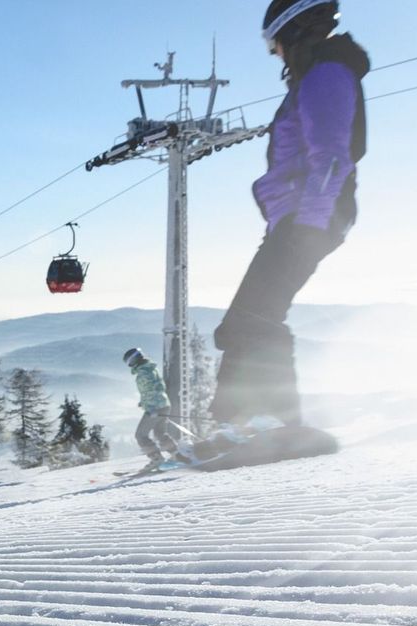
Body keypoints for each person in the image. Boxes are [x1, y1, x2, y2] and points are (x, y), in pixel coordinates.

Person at [210, 0, 369, 430]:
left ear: (295, 31)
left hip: (311, 217)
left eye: (274, 43)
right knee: (244, 321)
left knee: (254, 318)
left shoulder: (326, 76)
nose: (274, 53)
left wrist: (307, 223)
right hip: (299, 219)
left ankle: (273, 424)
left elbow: (333, 158)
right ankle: (236, 424)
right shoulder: (316, 76)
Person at [124, 348, 185, 466]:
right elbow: (156, 387)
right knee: (159, 433)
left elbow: (152, 390)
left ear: (133, 360)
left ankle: (156, 459)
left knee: (140, 435)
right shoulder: (150, 367)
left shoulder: (143, 372)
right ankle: (176, 453)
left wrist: (151, 408)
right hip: (163, 404)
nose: (130, 366)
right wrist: (144, 402)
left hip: (155, 408)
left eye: (129, 363)